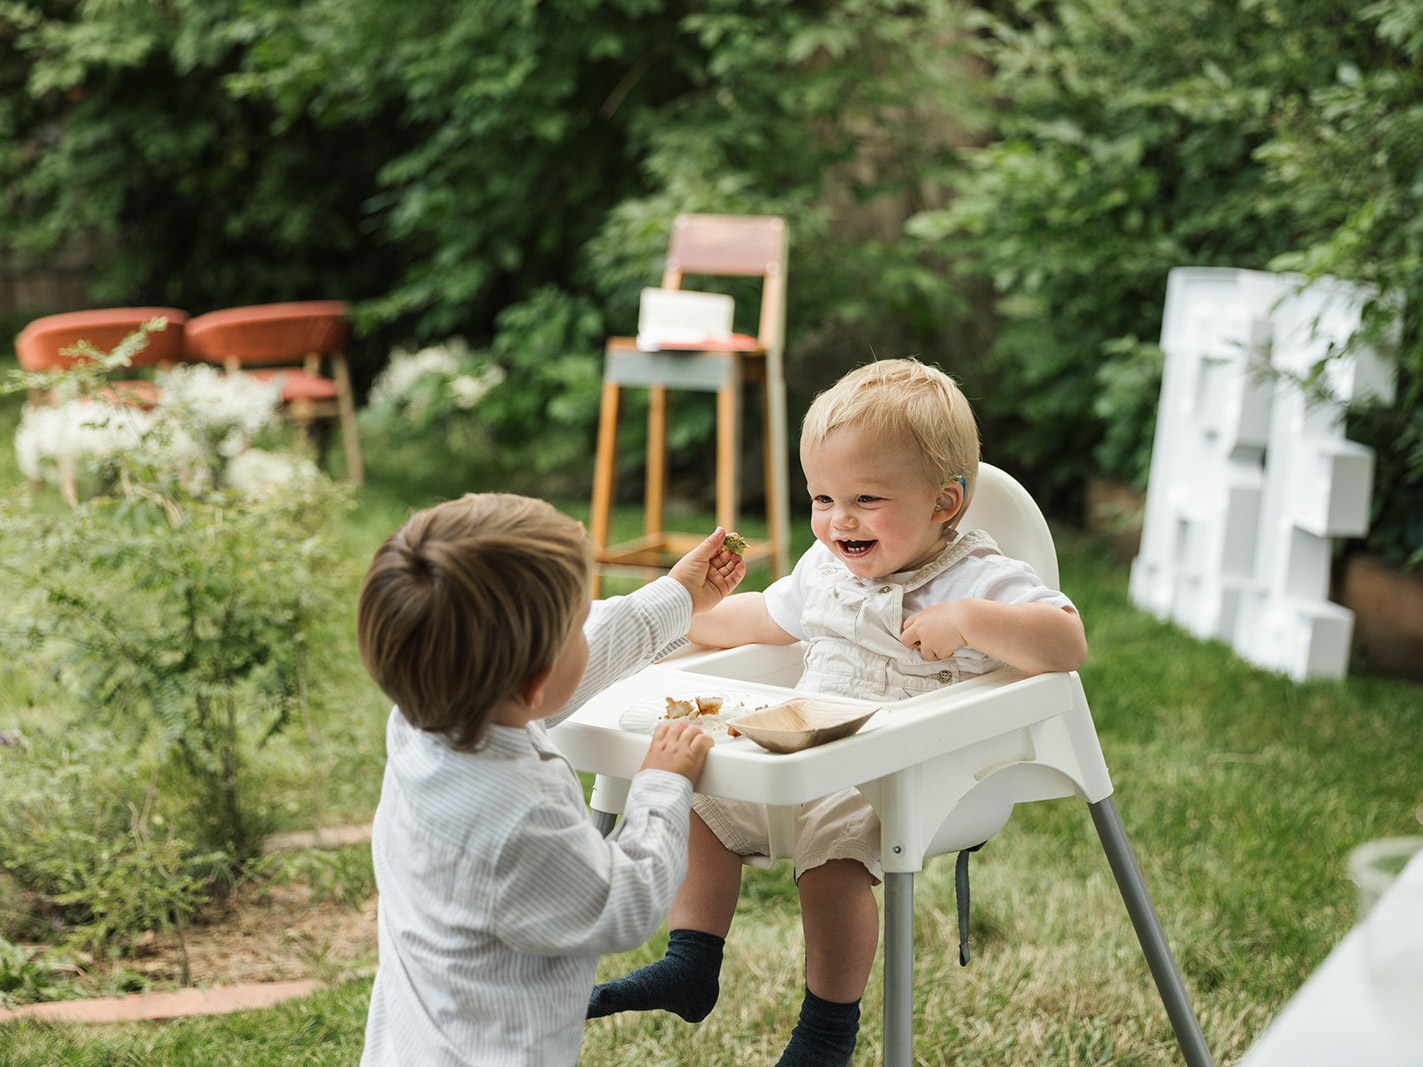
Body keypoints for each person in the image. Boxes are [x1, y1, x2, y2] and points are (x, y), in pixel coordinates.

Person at [588, 357, 1088, 1065]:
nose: (836, 519)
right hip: (806, 754)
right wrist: (684, 617)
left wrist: (971, 620)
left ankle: (826, 1028)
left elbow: (1066, 642)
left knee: (829, 851)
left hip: (907, 773)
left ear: (944, 504)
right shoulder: (825, 570)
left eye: (864, 498)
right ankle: (691, 959)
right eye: (820, 497)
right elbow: (763, 617)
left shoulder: (981, 575)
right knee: (699, 799)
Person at [356, 492, 746, 1066]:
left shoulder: (429, 718)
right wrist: (660, 785)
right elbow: (624, 902)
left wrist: (681, 596)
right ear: (535, 681)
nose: (592, 627)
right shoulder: (519, 818)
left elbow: (586, 652)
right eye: (578, 622)